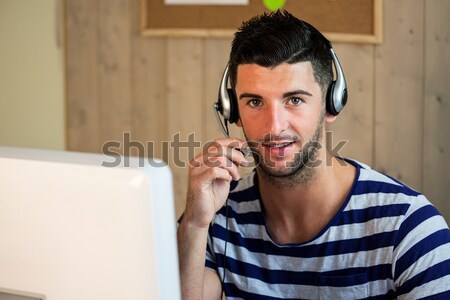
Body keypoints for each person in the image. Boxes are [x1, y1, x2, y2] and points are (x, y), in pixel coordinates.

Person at [177, 10, 450, 300]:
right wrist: (194, 222)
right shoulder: (216, 217)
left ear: (332, 103)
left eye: (294, 100)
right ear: (232, 112)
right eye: (255, 102)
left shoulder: (410, 228)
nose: (275, 126)